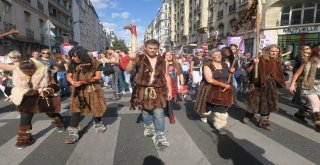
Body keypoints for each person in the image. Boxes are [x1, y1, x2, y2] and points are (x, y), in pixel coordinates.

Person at [0, 55, 64, 149]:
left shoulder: (44, 70)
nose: (28, 72)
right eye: (25, 71)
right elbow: (3, 66)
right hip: (27, 96)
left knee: (51, 113)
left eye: (30, 70)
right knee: (25, 116)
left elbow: (54, 85)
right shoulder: (18, 68)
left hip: (43, 95)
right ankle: (24, 138)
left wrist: (47, 91)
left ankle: (59, 123)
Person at [126, 39, 172, 150]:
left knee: (159, 112)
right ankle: (148, 126)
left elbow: (167, 76)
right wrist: (131, 60)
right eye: (150, 48)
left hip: (159, 90)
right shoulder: (139, 58)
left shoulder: (163, 60)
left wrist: (170, 90)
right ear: (145, 48)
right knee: (146, 112)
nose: (152, 50)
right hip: (143, 90)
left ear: (158, 49)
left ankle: (160, 134)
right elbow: (128, 70)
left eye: (155, 48)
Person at [64, 47, 107, 144]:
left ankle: (98, 123)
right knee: (75, 110)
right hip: (78, 91)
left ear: (81, 55)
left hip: (92, 89)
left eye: (74, 56)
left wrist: (84, 81)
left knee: (96, 107)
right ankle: (73, 132)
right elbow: (68, 76)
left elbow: (98, 77)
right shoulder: (73, 64)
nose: (73, 58)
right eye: (71, 57)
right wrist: (72, 82)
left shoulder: (95, 62)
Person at [243, 44, 287, 131]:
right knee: (254, 102)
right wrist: (254, 64)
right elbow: (248, 70)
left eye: (276, 51)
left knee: (267, 103)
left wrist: (284, 71)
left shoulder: (277, 61)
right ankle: (249, 114)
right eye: (272, 51)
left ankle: (264, 122)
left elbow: (277, 73)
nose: (274, 53)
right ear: (268, 51)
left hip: (270, 85)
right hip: (257, 84)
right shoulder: (260, 58)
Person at [195, 49, 234, 135]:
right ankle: (203, 114)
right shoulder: (207, 65)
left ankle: (220, 127)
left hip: (223, 91)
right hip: (210, 90)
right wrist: (223, 85)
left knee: (221, 109)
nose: (219, 56)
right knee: (206, 109)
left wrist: (232, 72)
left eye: (220, 54)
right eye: (216, 54)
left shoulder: (224, 64)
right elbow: (209, 80)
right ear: (211, 56)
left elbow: (228, 77)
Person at [289, 45, 320, 131]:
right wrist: (292, 84)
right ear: (316, 52)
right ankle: (318, 124)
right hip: (308, 85)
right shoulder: (307, 62)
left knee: (310, 104)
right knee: (316, 103)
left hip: (319, 86)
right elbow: (296, 74)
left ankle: (299, 115)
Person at [163, 51, 185, 124]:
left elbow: (181, 74)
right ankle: (166, 110)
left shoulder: (177, 64)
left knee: (170, 99)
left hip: (174, 84)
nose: (169, 56)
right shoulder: (161, 64)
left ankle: (171, 114)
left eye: (170, 55)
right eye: (167, 55)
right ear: (164, 56)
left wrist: (182, 84)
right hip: (164, 84)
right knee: (165, 98)